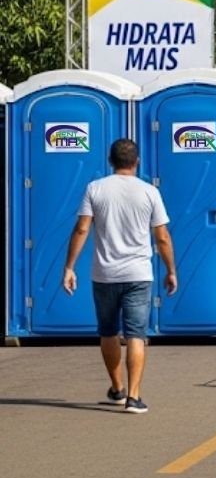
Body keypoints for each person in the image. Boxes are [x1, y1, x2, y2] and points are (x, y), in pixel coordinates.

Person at [62, 139, 177, 414]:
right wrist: (171, 270)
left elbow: (81, 229)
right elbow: (161, 236)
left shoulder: (95, 188)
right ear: (137, 161)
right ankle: (134, 398)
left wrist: (69, 267)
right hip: (139, 274)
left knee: (108, 332)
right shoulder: (149, 191)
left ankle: (117, 388)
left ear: (110, 161)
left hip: (104, 274)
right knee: (136, 334)